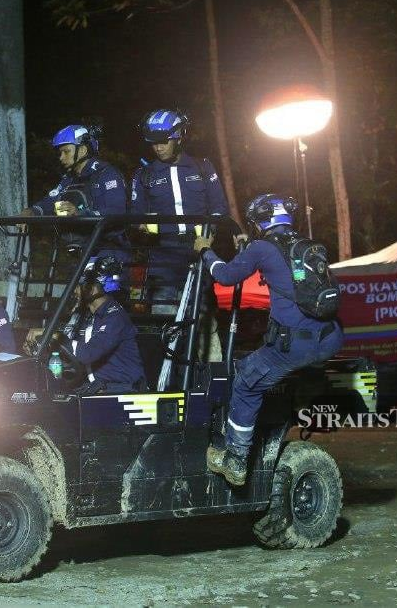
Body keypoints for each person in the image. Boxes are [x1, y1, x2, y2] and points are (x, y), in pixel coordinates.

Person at [194, 194, 343, 485]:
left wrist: (205, 252)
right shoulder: (307, 246)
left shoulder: (262, 247)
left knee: (246, 381)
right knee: (266, 364)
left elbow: (225, 275)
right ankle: (309, 382)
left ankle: (236, 459)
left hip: (297, 344)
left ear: (262, 222)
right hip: (330, 337)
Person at [130, 109, 230, 314]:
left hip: (200, 250)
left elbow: (219, 207)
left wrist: (210, 232)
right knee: (164, 319)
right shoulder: (143, 174)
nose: (157, 147)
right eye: (153, 142)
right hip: (163, 256)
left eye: (163, 141)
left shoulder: (203, 167)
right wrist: (141, 226)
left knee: (199, 320)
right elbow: (134, 215)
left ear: (178, 138)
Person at [24, 256, 145, 395]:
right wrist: (38, 346)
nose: (74, 291)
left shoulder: (115, 317)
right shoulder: (85, 316)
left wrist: (52, 334)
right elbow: (68, 349)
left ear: (91, 289)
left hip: (123, 392)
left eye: (77, 285)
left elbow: (87, 354)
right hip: (97, 388)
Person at [20, 124, 129, 262]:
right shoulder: (69, 179)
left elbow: (116, 212)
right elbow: (50, 201)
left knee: (90, 284)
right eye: (60, 153)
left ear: (82, 150)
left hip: (109, 251)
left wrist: (79, 213)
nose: (61, 157)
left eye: (66, 152)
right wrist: (32, 211)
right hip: (80, 252)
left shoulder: (107, 174)